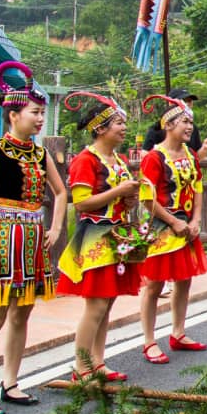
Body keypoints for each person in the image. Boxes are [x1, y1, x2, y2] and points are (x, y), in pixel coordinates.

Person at [0, 62, 67, 414]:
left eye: (42, 113)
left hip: (32, 239)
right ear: (13, 115)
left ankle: (10, 382)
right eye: (35, 113)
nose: (40, 120)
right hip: (5, 237)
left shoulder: (40, 154)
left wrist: (54, 228)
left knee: (22, 315)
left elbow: (61, 192)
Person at [57, 92, 142, 382]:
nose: (123, 127)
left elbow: (115, 199)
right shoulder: (86, 160)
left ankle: (98, 361)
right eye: (118, 122)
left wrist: (128, 201)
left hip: (116, 233)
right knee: (95, 304)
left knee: (107, 303)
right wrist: (120, 192)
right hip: (96, 235)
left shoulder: (116, 159)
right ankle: (81, 367)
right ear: (101, 128)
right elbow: (81, 204)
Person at [136, 94, 207, 365]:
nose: (189, 126)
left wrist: (196, 220)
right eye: (183, 121)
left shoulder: (190, 154)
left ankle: (178, 332)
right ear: (167, 125)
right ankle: (148, 340)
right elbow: (147, 199)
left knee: (184, 281)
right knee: (154, 285)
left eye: (191, 121)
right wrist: (173, 221)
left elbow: (198, 188)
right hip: (162, 227)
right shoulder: (155, 158)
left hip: (186, 226)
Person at [142, 87, 207, 159]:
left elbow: (196, 158)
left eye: (189, 101)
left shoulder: (192, 128)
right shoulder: (156, 129)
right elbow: (145, 154)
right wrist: (164, 164)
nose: (187, 104)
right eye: (183, 100)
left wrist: (205, 148)